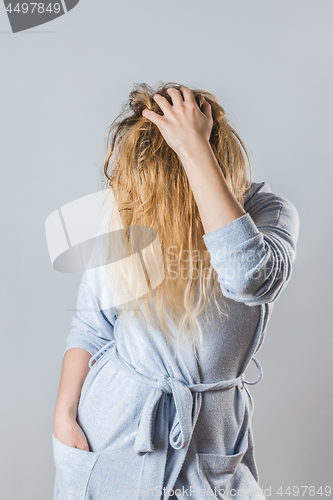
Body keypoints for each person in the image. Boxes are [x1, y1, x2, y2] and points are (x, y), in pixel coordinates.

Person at [51, 82, 300, 500]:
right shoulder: (129, 207)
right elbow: (92, 325)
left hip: (209, 446)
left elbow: (249, 278)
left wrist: (192, 147)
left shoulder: (266, 213)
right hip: (111, 436)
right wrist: (64, 414)